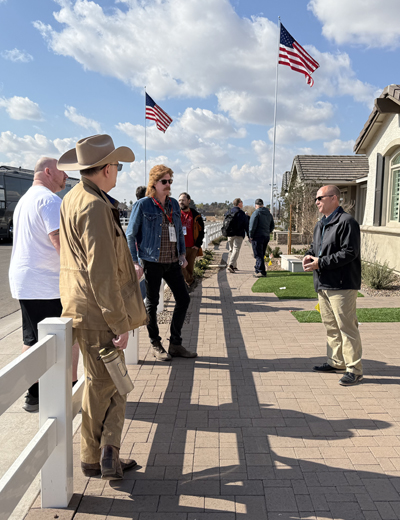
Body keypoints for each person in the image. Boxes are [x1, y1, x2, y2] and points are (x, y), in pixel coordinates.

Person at [57, 134, 147, 479]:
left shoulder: (75, 197)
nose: (119, 172)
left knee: (109, 381)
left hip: (84, 304)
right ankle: (96, 455)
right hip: (97, 310)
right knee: (107, 382)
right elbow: (102, 272)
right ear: (107, 168)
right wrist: (118, 321)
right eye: (118, 166)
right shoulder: (94, 205)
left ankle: (107, 450)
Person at [8, 157, 80, 413]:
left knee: (33, 336)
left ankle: (34, 393)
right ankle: (68, 388)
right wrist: (79, 276)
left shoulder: (25, 200)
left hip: (27, 281)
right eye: (63, 172)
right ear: (48, 171)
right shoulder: (49, 200)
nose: (66, 177)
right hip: (47, 281)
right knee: (70, 334)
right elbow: (60, 243)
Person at [126, 165, 197, 361]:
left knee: (183, 299)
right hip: (151, 261)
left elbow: (179, 231)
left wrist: (182, 254)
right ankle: (155, 343)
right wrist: (135, 261)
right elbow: (130, 235)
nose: (168, 185)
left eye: (170, 181)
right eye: (164, 182)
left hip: (173, 261)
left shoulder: (174, 204)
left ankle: (175, 343)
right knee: (152, 303)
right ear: (154, 183)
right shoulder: (143, 205)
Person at [303, 184, 363, 386]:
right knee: (331, 326)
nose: (317, 202)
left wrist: (321, 262)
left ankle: (354, 370)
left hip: (342, 284)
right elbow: (315, 248)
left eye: (320, 198)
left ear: (334, 198)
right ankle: (336, 362)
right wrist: (309, 256)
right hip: (323, 283)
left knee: (347, 327)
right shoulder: (321, 224)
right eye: (316, 199)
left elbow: (349, 252)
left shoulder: (347, 222)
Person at [178, 192, 205, 287]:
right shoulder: (175, 214)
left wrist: (198, 245)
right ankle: (190, 281)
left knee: (189, 268)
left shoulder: (196, 215)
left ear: (189, 201)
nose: (181, 202)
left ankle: (188, 285)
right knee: (180, 266)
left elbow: (201, 231)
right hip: (179, 247)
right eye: (180, 200)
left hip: (192, 247)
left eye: (183, 200)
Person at [249, 198, 274, 278]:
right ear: (262, 205)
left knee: (258, 254)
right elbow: (272, 226)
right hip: (266, 236)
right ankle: (257, 269)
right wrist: (267, 231)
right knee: (261, 253)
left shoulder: (256, 213)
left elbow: (252, 226)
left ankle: (261, 271)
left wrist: (251, 236)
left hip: (257, 236)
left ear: (256, 205)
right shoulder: (268, 213)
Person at [225, 198, 249, 273]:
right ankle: (231, 265)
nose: (242, 203)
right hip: (238, 234)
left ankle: (234, 266)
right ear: (239, 204)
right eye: (241, 202)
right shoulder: (241, 213)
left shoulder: (228, 212)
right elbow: (246, 225)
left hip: (229, 234)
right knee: (236, 249)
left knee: (232, 250)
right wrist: (249, 235)